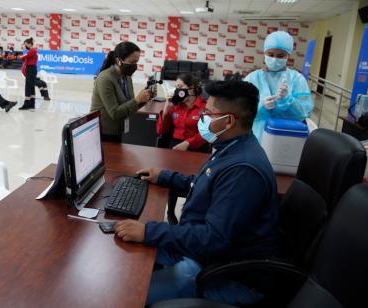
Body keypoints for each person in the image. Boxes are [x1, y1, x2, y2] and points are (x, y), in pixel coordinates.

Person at [114, 80, 279, 305]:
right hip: (203, 253)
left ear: (228, 120)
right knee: (124, 263)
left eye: (208, 113)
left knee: (125, 296)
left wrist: (149, 232)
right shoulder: (231, 147)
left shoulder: (243, 170)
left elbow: (213, 239)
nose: (203, 117)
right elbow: (205, 184)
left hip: (223, 274)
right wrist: (163, 176)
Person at [156, 73, 208, 224]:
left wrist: (188, 144)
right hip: (176, 147)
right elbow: (161, 131)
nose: (177, 90)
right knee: (173, 181)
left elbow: (206, 133)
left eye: (181, 87)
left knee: (195, 184)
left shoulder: (204, 106)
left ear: (192, 88)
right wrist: (166, 111)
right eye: (176, 87)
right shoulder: (175, 105)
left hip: (197, 148)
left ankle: (189, 212)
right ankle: (171, 212)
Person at [244, 31, 314, 142]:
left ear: (288, 56)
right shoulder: (252, 78)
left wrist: (288, 100)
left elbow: (304, 112)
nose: (275, 59)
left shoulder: (297, 79)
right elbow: (241, 109)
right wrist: (261, 106)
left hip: (287, 134)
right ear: (264, 53)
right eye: (270, 54)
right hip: (256, 134)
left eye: (281, 55)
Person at [90, 41, 152, 142]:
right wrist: (137, 100)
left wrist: (144, 99)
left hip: (120, 130)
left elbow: (129, 106)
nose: (134, 66)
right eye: (132, 62)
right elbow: (115, 113)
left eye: (136, 62)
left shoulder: (127, 77)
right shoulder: (105, 79)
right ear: (119, 61)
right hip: (103, 134)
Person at [18, 38, 38, 110]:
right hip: (31, 69)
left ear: (30, 44)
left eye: (26, 44)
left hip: (31, 69)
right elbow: (26, 58)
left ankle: (26, 104)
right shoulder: (32, 50)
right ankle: (32, 104)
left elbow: (24, 56)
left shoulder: (32, 50)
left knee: (28, 87)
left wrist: (20, 57)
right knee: (31, 86)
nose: (25, 46)